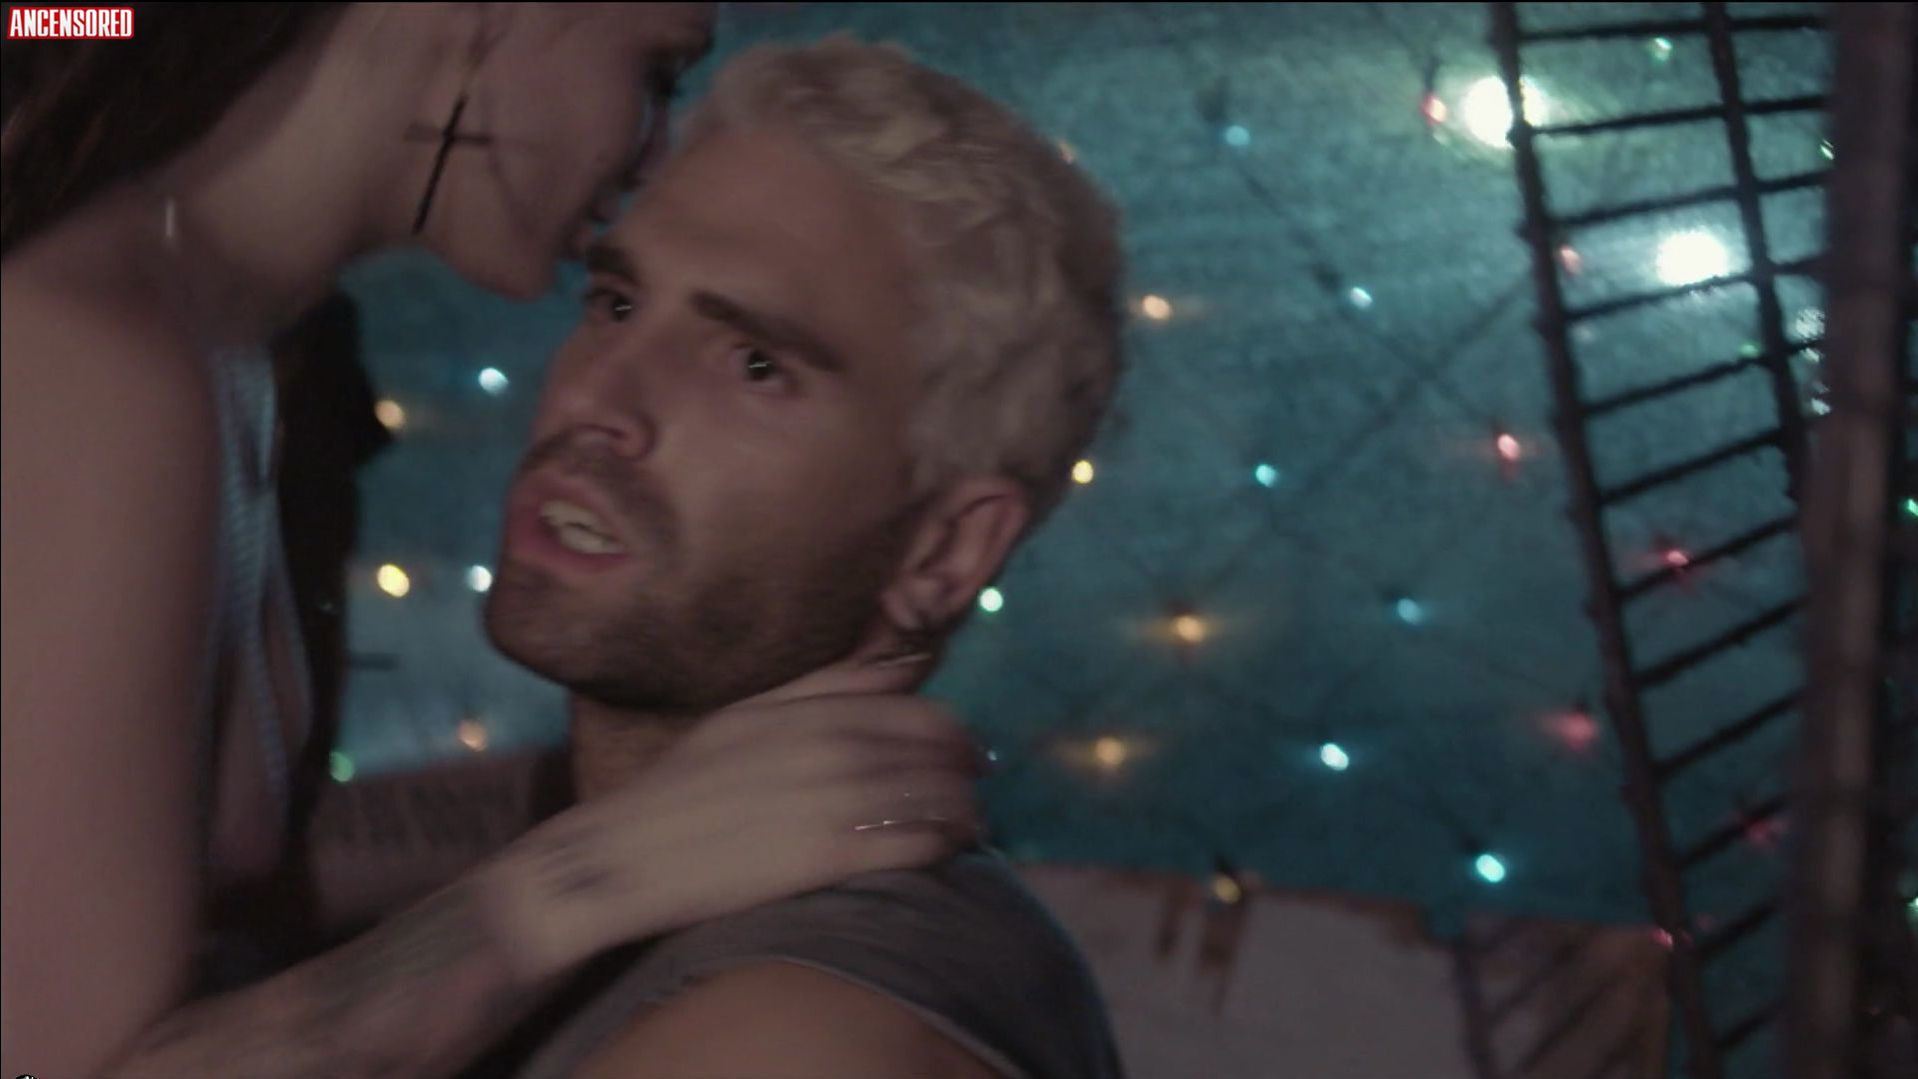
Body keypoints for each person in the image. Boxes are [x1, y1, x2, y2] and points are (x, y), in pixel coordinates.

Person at [1, 5, 989, 1076]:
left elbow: (144, 865)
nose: (653, 157)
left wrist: (668, 790)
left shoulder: (228, 340)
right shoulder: (89, 363)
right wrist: (595, 872)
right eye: (656, 73)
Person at [469, 36, 1129, 1078]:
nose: (596, 399)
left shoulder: (803, 1034)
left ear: (946, 549)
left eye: (754, 364)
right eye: (616, 304)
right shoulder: (604, 860)